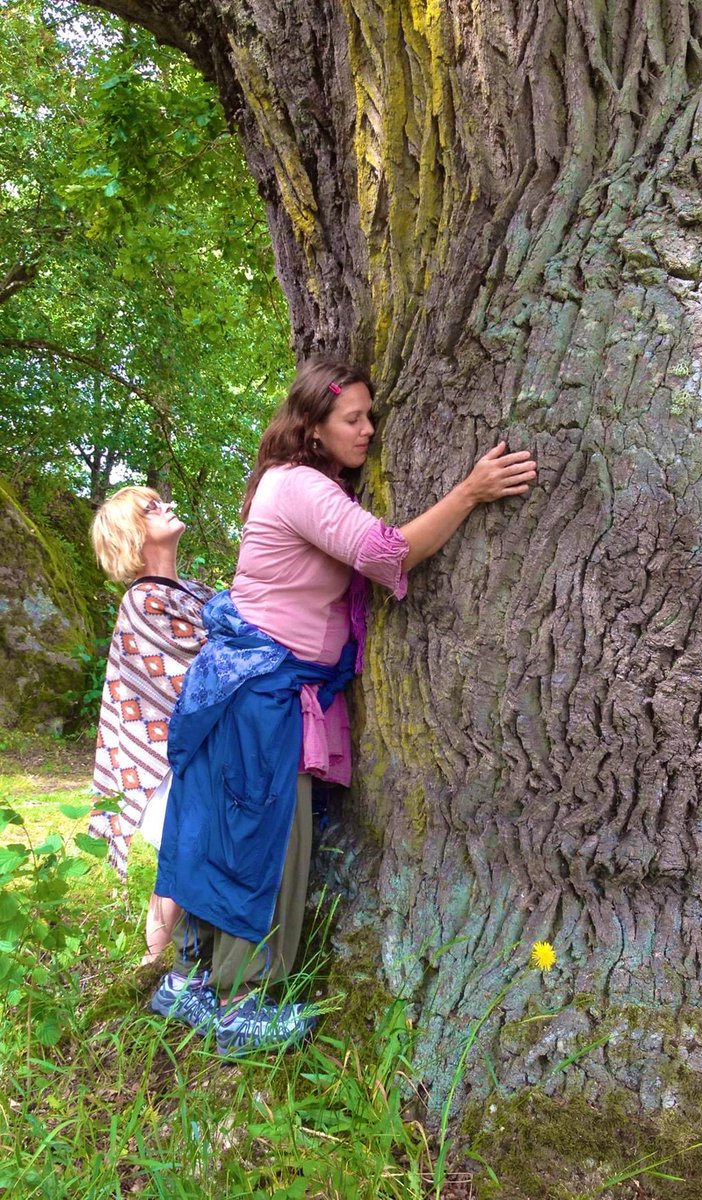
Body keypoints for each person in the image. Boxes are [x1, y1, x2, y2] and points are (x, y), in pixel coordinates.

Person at [151, 358, 537, 1055]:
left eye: (369, 416)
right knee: (264, 842)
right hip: (259, 694)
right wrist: (471, 492)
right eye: (352, 418)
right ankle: (241, 1004)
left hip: (247, 685)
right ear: (313, 426)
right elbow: (385, 552)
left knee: (220, 830)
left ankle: (194, 982)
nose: (368, 429)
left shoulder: (297, 484)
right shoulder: (299, 485)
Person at [89, 486, 213, 963]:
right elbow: (194, 675)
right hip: (162, 754)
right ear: (134, 537)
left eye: (163, 500)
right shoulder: (142, 603)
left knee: (185, 858)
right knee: (179, 859)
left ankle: (165, 961)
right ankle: (154, 963)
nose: (165, 506)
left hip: (193, 748)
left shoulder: (194, 591)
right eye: (151, 508)